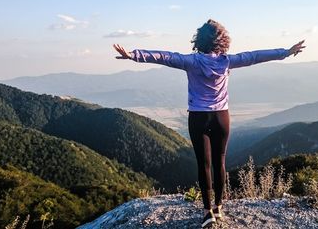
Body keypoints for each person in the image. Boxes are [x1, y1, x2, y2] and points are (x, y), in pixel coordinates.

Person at [113, 19, 305, 228]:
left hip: (198, 117)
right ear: (223, 40)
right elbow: (255, 56)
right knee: (219, 162)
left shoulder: (191, 61)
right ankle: (219, 208)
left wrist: (133, 55)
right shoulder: (227, 61)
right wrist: (285, 52)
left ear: (199, 40)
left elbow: (164, 57)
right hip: (222, 117)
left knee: (203, 164)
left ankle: (207, 212)